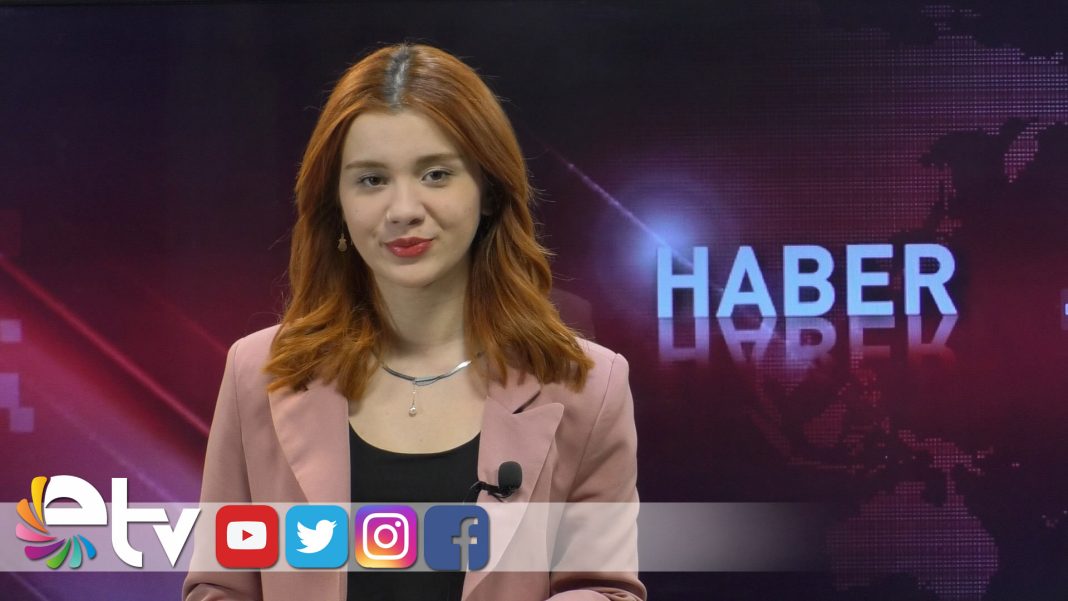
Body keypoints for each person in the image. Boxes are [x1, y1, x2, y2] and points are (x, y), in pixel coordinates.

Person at [182, 42, 645, 601]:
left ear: (488, 191)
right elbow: (221, 586)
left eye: (436, 174)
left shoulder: (587, 386)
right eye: (371, 180)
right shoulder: (258, 372)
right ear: (337, 205)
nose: (403, 209)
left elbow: (602, 589)